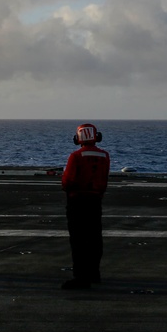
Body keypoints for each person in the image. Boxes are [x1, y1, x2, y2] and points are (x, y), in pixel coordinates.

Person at [61, 122, 111, 290]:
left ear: (78, 138)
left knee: (78, 240)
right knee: (95, 238)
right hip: (95, 200)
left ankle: (81, 277)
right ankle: (94, 273)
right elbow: (104, 179)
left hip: (77, 201)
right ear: (97, 137)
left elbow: (67, 181)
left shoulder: (75, 156)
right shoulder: (104, 156)